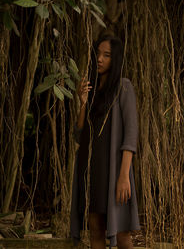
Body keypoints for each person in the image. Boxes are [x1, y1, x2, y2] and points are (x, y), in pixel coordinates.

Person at [71, 35, 140, 249]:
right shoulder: (91, 91)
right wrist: (82, 103)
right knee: (95, 230)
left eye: (106, 55)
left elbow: (130, 135)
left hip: (115, 171)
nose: (99, 59)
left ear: (115, 59)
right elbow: (78, 135)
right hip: (91, 170)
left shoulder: (123, 87)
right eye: (97, 54)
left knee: (121, 235)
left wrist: (123, 177)